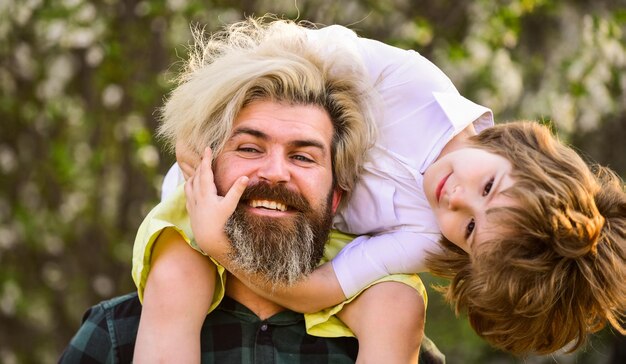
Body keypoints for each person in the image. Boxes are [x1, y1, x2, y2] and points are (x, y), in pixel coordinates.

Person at [158, 17, 626, 358]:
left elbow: (323, 287)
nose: (455, 198)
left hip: (304, 236)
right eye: (487, 188)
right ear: (515, 150)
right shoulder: (417, 87)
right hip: (222, 191)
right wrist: (200, 120)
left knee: (398, 305)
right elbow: (284, 54)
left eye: (467, 228)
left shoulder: (427, 236)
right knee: (179, 279)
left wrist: (224, 251)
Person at [60, 17, 446, 364]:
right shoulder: (113, 339)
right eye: (249, 148)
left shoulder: (399, 345)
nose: (275, 172)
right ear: (203, 169)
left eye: (303, 157)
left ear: (337, 198)